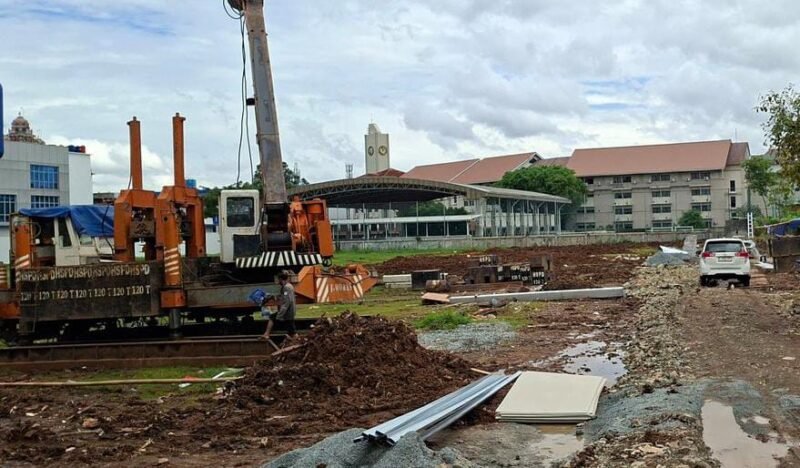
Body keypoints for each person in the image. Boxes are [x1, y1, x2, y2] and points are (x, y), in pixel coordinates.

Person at [262, 271, 297, 340]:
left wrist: (280, 314)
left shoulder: (287, 287)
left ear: (281, 279)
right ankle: (298, 340)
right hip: (289, 311)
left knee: (272, 317)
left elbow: (287, 302)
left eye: (278, 279)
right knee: (292, 331)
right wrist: (273, 297)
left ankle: (266, 334)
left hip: (287, 312)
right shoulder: (288, 286)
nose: (278, 281)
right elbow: (283, 297)